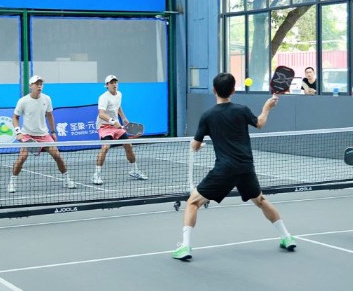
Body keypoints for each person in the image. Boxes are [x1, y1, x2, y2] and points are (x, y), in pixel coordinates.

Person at [172, 73, 295, 261]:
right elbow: (260, 123)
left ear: (214, 90)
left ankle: (185, 246)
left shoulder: (207, 116)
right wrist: (267, 107)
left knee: (193, 202)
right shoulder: (242, 110)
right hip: (246, 167)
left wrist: (198, 145)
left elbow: (195, 146)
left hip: (224, 170)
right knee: (260, 200)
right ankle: (286, 236)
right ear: (233, 91)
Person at [7, 76, 75, 193]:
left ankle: (67, 178)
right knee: (23, 157)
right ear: (30, 86)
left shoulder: (47, 99)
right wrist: (18, 133)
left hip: (44, 135)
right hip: (27, 135)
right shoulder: (23, 101)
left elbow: (50, 115)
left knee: (58, 156)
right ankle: (12, 181)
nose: (39, 86)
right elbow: (15, 117)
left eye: (41, 84)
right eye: (36, 84)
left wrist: (53, 132)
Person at [92, 75, 147, 185]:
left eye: (115, 82)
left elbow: (118, 107)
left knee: (129, 146)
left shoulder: (119, 94)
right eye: (112, 82)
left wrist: (123, 118)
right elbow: (101, 114)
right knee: (105, 147)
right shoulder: (103, 97)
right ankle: (96, 175)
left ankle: (134, 170)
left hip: (116, 126)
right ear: (107, 85)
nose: (114, 84)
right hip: (104, 126)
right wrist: (113, 121)